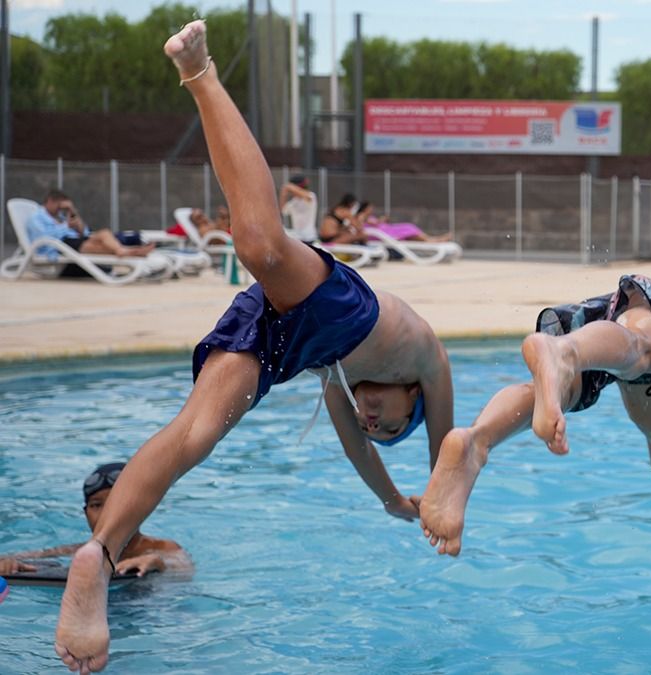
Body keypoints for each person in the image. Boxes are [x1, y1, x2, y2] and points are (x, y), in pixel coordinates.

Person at [52, 20, 454, 674]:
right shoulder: (427, 360)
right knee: (262, 246)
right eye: (392, 420)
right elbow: (450, 451)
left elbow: (361, 458)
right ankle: (201, 72)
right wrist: (440, 497)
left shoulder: (337, 390)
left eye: (375, 427)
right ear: (413, 396)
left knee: (195, 433)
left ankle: (98, 550)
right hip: (341, 303)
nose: (374, 422)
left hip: (287, 343)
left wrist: (390, 500)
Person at [420, 274, 651, 590]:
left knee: (560, 394)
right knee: (642, 351)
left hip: (608, 350)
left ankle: (477, 442)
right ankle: (564, 353)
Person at [0, 463, 191, 579]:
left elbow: (184, 570)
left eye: (116, 503)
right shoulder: (77, 551)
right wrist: (10, 563)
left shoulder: (163, 548)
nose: (106, 513)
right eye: (96, 505)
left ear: (142, 508)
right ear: (85, 513)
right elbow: (20, 556)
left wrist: (158, 563)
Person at [26, 190, 155, 260]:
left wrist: (72, 211)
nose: (60, 210)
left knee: (104, 233)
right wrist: (66, 227)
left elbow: (85, 233)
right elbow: (42, 237)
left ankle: (123, 251)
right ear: (49, 201)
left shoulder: (60, 217)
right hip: (59, 246)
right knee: (98, 244)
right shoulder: (36, 218)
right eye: (59, 206)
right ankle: (128, 251)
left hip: (74, 241)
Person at [355, 202, 453, 243]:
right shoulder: (362, 215)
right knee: (408, 228)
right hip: (381, 234)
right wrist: (380, 220)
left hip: (386, 231)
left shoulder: (367, 216)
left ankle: (432, 239)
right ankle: (433, 240)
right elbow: (370, 223)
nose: (371, 209)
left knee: (410, 231)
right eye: (370, 208)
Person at [279, 175, 318, 243]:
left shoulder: (311, 196)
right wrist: (283, 195)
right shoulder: (294, 201)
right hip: (297, 237)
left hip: (308, 237)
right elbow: (283, 210)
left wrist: (289, 187)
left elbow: (307, 196)